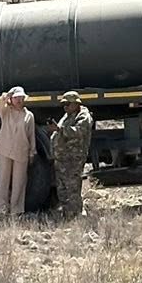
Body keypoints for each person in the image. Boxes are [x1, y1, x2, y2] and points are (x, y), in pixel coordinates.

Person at [49, 92, 94, 220]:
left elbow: (78, 131)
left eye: (67, 104)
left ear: (76, 104)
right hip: (62, 158)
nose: (65, 107)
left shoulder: (83, 116)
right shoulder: (68, 115)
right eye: (64, 105)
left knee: (72, 188)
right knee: (62, 188)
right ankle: (67, 214)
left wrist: (59, 129)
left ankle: (76, 215)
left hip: (73, 158)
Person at [0, 87, 35, 218]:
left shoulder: (29, 115)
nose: (19, 100)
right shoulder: (6, 111)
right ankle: (1, 210)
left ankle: (16, 211)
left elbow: (31, 135)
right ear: (12, 99)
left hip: (21, 150)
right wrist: (7, 95)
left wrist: (32, 152)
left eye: (21, 98)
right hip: (5, 149)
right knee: (3, 180)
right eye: (16, 98)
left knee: (19, 182)